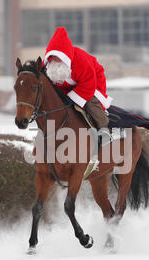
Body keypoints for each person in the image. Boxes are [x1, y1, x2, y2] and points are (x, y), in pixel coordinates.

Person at [44, 27, 113, 178]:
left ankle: (104, 131)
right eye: (53, 58)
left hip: (91, 83)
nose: (55, 61)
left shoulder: (81, 61)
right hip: (67, 88)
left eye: (58, 58)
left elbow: (88, 83)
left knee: (91, 104)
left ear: (65, 57)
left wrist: (73, 99)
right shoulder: (48, 67)